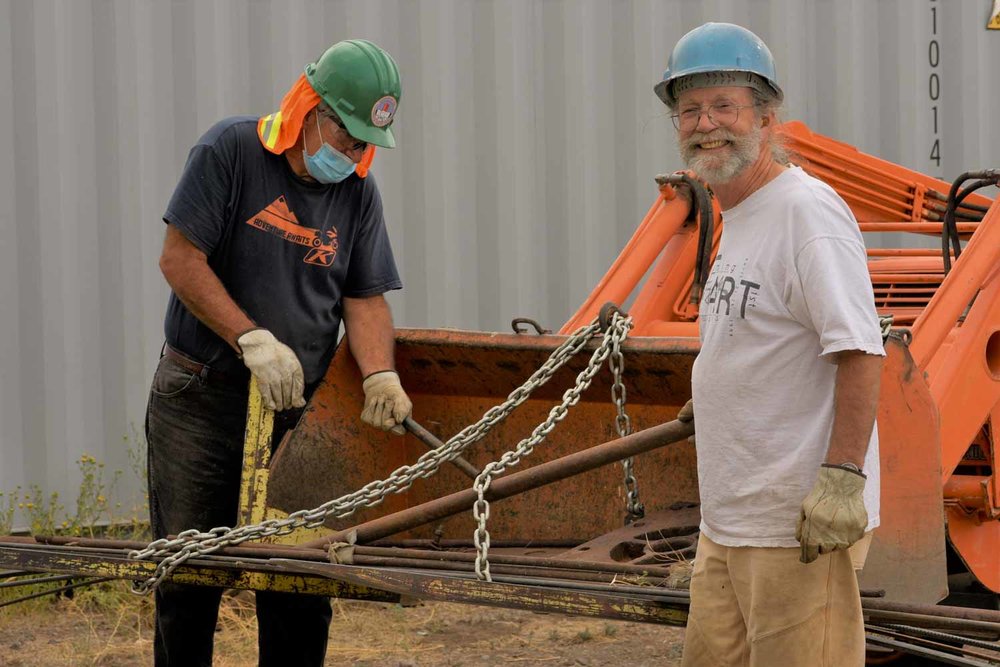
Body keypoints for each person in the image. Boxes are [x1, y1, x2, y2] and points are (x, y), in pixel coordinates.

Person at [145, 39, 412, 666]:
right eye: (345, 138)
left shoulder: (357, 193)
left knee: (301, 581)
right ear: (309, 109)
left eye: (364, 145)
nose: (353, 156)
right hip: (202, 401)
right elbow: (179, 258)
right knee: (190, 579)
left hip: (298, 415)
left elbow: (365, 297)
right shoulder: (230, 151)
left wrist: (379, 373)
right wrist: (250, 338)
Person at [654, 23, 885, 666]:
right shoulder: (738, 214)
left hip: (792, 527)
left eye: (724, 105)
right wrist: (717, 393)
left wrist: (842, 480)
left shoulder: (805, 213)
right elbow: (765, 330)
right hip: (726, 523)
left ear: (766, 116)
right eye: (690, 109)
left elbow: (861, 351)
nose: (706, 124)